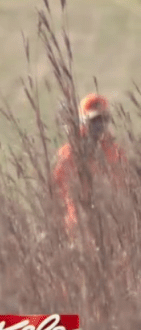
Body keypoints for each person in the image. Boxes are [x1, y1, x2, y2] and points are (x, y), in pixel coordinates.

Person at [52, 93, 127, 238]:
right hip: (80, 229)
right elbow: (57, 193)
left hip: (113, 227)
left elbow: (126, 187)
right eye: (94, 120)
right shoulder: (69, 154)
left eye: (103, 119)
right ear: (82, 122)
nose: (99, 125)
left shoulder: (117, 152)